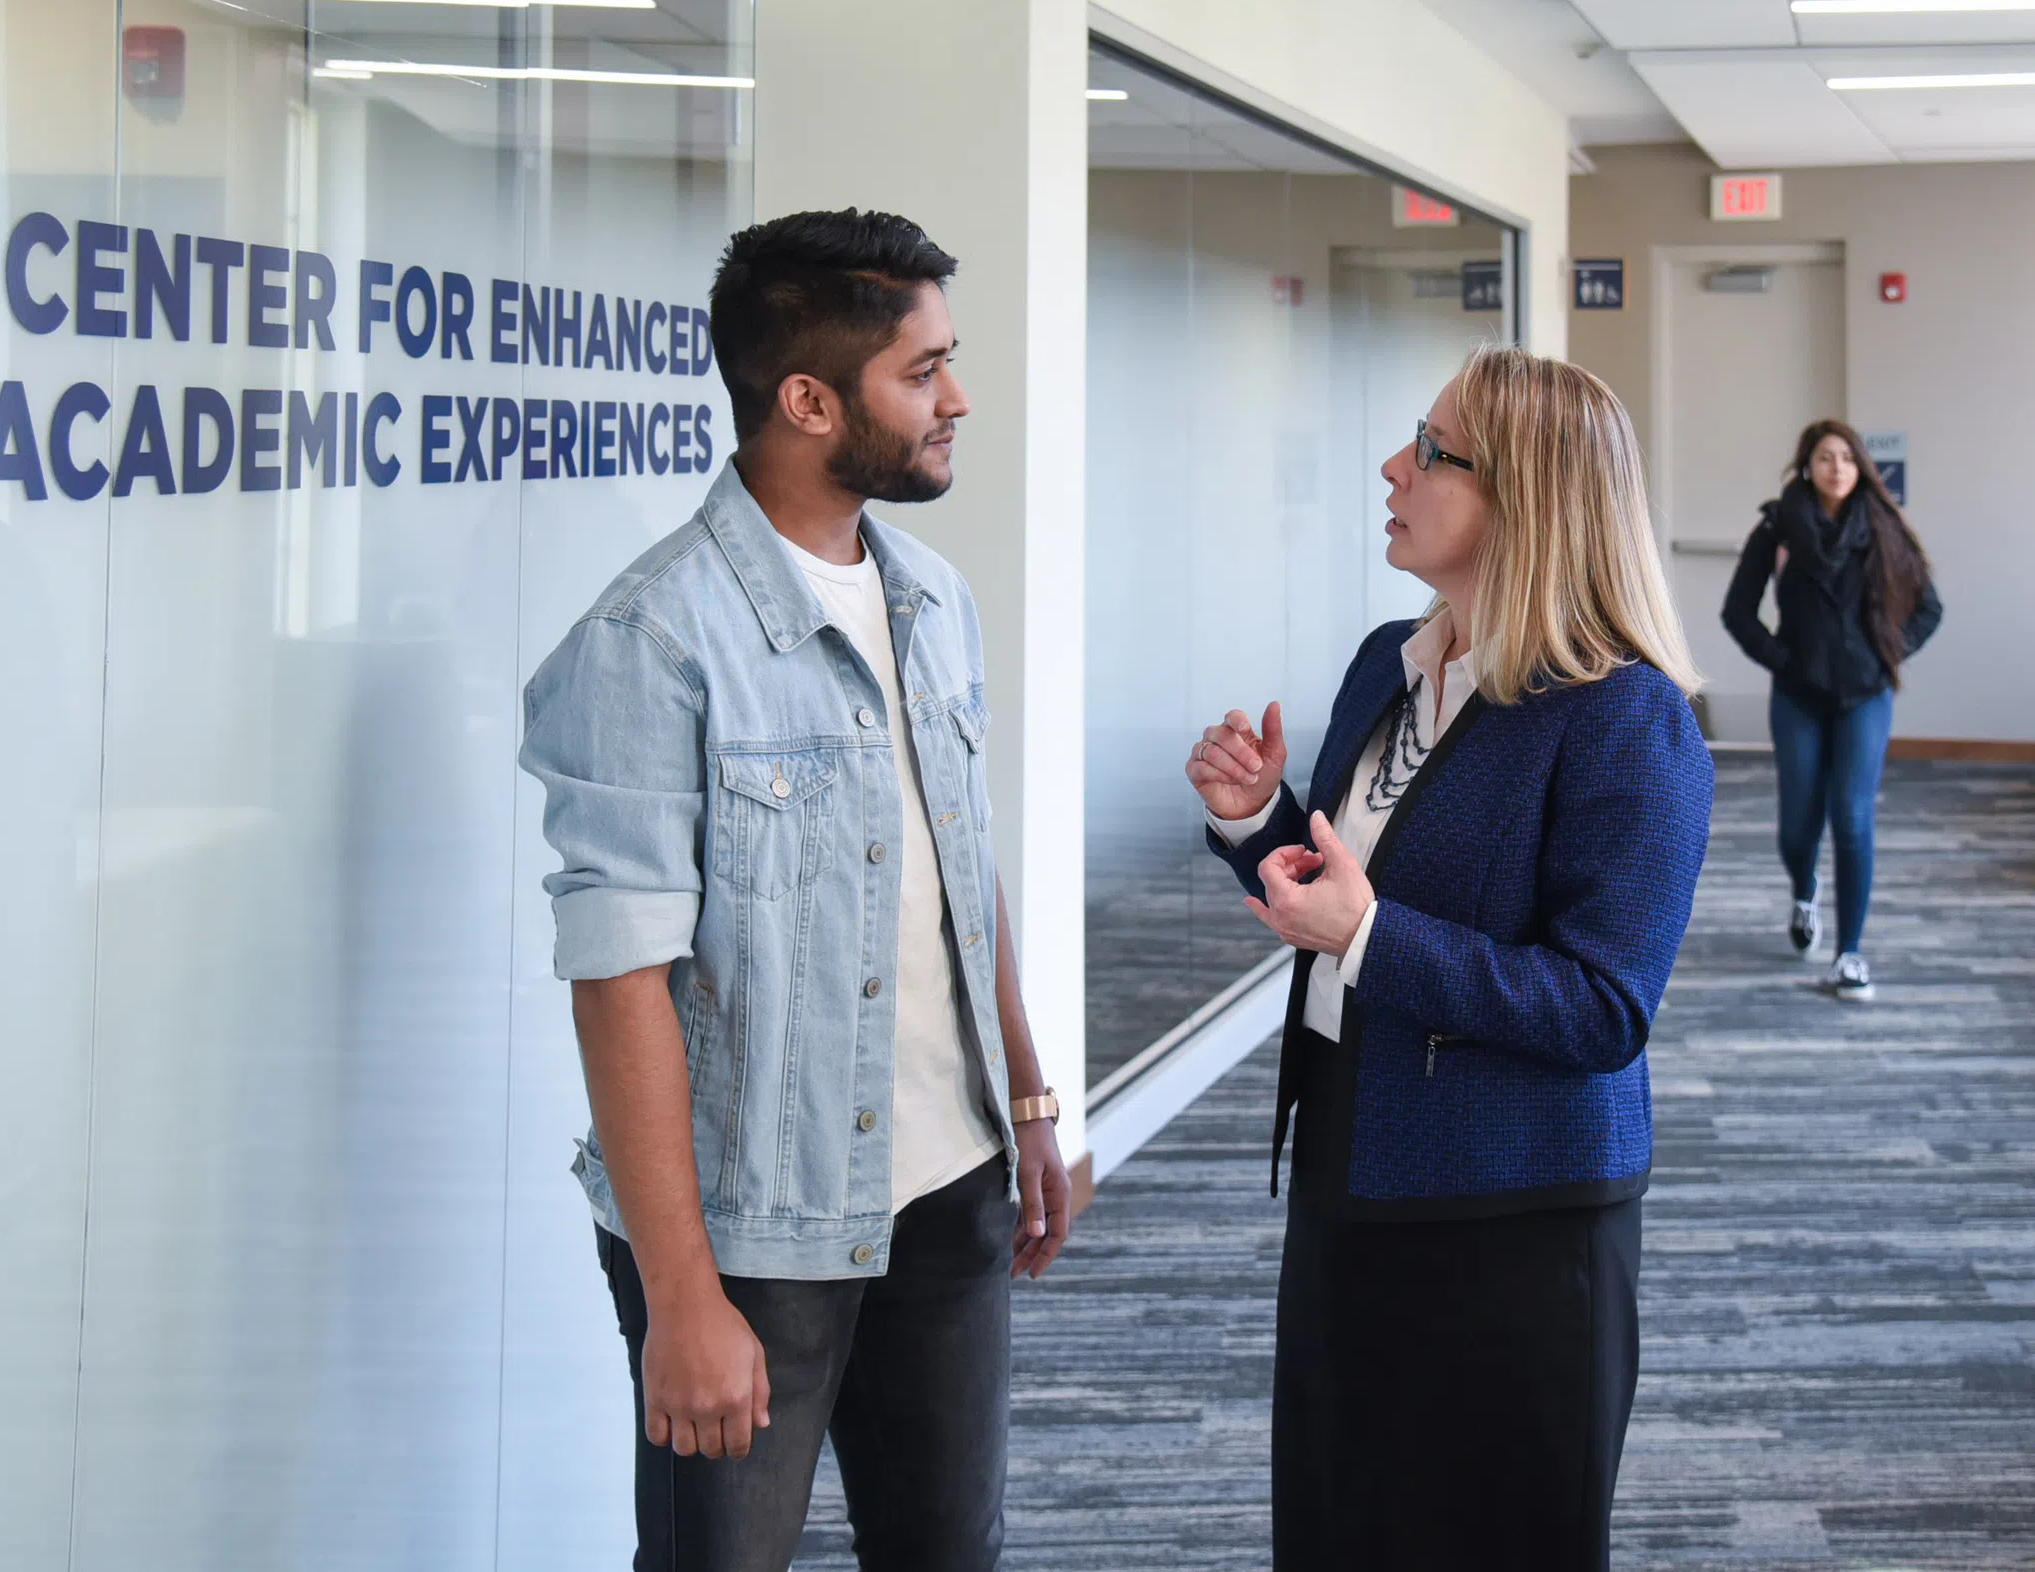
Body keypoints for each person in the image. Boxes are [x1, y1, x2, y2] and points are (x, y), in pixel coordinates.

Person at [521, 209, 1071, 1572]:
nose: (958, 398)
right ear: (809, 398)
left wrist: (1031, 1099)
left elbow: (965, 859)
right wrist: (680, 1295)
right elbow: (619, 981)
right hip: (752, 1229)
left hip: (948, 1182)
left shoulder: (934, 596)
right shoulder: (651, 641)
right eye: (922, 371)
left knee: (948, 1551)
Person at [1187, 347, 1713, 1572]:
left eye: (1430, 451)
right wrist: (1253, 820)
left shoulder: (1629, 718)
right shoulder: (1392, 658)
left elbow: (1603, 1006)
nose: (1392, 466)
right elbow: (1343, 890)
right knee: (1336, 1524)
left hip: (1512, 1221)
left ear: (1526, 498)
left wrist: (1369, 937)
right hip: (1350, 1171)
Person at [1720, 418, 1943, 1003]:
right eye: (1825, 457)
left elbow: (1929, 607)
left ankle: (1851, 955)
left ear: (1859, 466)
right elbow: (1737, 611)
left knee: (1851, 816)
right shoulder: (1777, 526)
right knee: (1798, 823)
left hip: (1864, 696)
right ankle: (1803, 889)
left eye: (1846, 456)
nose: (1837, 467)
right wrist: (1782, 661)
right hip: (1798, 695)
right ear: (1807, 465)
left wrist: (1887, 655)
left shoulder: (1883, 525)